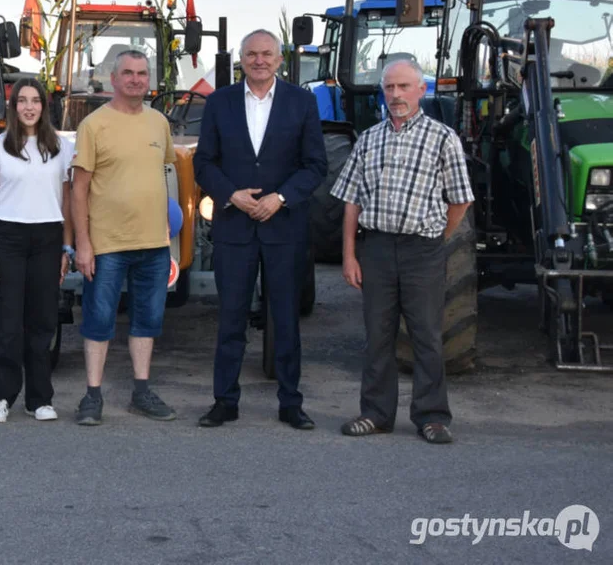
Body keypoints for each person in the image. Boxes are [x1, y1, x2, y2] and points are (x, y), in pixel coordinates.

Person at [330, 60, 473, 444]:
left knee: (426, 335)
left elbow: (459, 201)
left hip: (421, 250)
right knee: (377, 335)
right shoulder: (369, 139)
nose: (395, 95)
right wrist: (349, 255)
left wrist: (434, 238)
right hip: (375, 248)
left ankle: (432, 416)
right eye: (389, 87)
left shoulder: (443, 138)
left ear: (421, 90)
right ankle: (375, 414)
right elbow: (351, 203)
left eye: (404, 87)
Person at [192, 29, 327, 430]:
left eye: (267, 53)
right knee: (231, 317)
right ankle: (224, 401)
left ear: (280, 58)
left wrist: (279, 198)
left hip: (283, 227)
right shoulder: (220, 103)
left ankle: (291, 403)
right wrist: (232, 195)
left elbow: (316, 165)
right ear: (241, 59)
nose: (259, 60)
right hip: (234, 226)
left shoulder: (302, 103)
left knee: (284, 318)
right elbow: (204, 163)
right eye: (251, 54)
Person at [71, 50, 177, 426]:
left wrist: (167, 229)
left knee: (147, 320)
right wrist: (83, 244)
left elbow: (161, 176)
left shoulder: (158, 124)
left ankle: (141, 392)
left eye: (142, 74)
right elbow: (79, 189)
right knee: (99, 320)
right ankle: (92, 396)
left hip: (153, 244)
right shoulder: (94, 126)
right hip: (107, 244)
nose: (136, 80)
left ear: (150, 80)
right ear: (113, 79)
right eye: (128, 73)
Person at [0, 78, 74, 423]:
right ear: (13, 106)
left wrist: (66, 247)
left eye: (35, 101)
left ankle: (40, 399)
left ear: (44, 107)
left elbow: (66, 202)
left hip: (47, 239)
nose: (29, 107)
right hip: (7, 239)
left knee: (43, 321)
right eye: (22, 101)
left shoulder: (61, 149)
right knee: (6, 321)